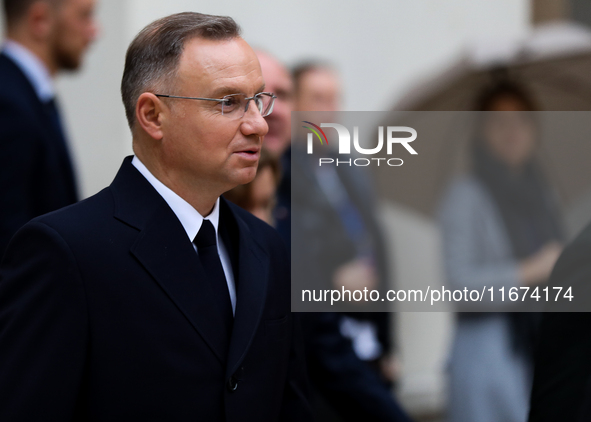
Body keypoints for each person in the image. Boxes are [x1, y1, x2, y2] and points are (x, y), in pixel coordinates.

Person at [0, 12, 311, 421]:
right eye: (228, 102)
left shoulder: (265, 245)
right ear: (152, 116)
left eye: (257, 100)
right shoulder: (66, 251)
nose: (257, 124)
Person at [255, 51, 411, 422]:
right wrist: (332, 285)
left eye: (335, 99)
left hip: (364, 340)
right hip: (320, 350)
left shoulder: (348, 168)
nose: (329, 110)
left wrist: (389, 345)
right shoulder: (275, 172)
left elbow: (379, 251)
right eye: (318, 99)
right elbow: (292, 265)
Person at [437, 80, 563, 422]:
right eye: (498, 121)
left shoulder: (542, 193)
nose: (512, 131)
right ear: (480, 130)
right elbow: (461, 285)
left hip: (538, 350)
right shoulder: (465, 196)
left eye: (522, 120)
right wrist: (530, 271)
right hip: (488, 359)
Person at [0, 0, 98, 258]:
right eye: (85, 16)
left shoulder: (28, 93)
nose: (94, 31)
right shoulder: (7, 101)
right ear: (40, 20)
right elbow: (9, 235)